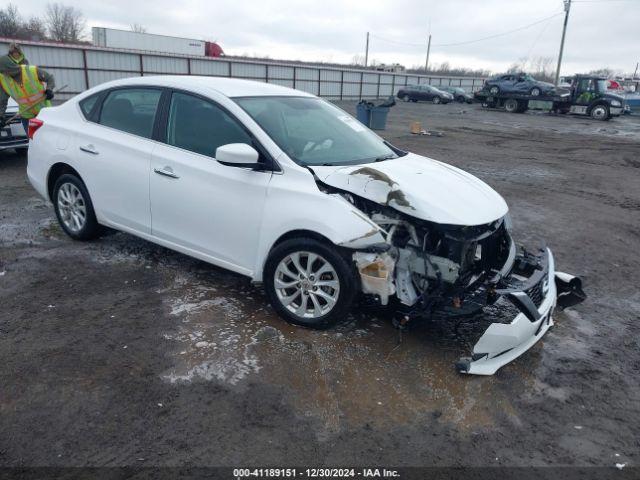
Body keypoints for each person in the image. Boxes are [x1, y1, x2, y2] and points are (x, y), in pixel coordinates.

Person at [0, 43, 55, 134]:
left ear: (9, 68)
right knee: (32, 141)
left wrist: (49, 89)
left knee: (48, 138)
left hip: (43, 113)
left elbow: (50, 78)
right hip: (26, 116)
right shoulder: (3, 80)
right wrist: (1, 116)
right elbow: (2, 100)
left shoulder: (31, 70)